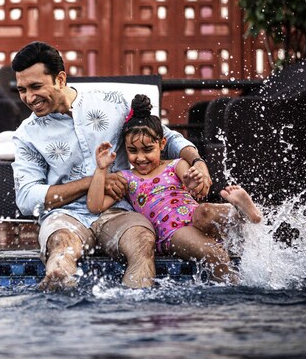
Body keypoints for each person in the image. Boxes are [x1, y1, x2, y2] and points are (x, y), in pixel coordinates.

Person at [11, 41, 212, 291]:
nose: (29, 98)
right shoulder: (27, 135)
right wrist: (93, 182)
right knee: (61, 247)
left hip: (119, 210)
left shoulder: (111, 103)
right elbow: (27, 198)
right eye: (22, 90)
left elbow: (166, 138)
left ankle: (134, 308)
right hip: (65, 217)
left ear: (60, 79)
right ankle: (56, 305)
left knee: (142, 241)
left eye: (36, 87)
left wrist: (197, 162)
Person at [87, 94, 263, 282]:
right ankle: (233, 288)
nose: (140, 157)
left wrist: (194, 183)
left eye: (148, 150)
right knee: (213, 252)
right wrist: (101, 169)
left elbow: (196, 189)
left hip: (195, 215)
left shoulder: (176, 164)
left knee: (204, 211)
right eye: (133, 151)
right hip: (172, 232)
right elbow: (95, 205)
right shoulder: (126, 178)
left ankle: (244, 214)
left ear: (162, 144)